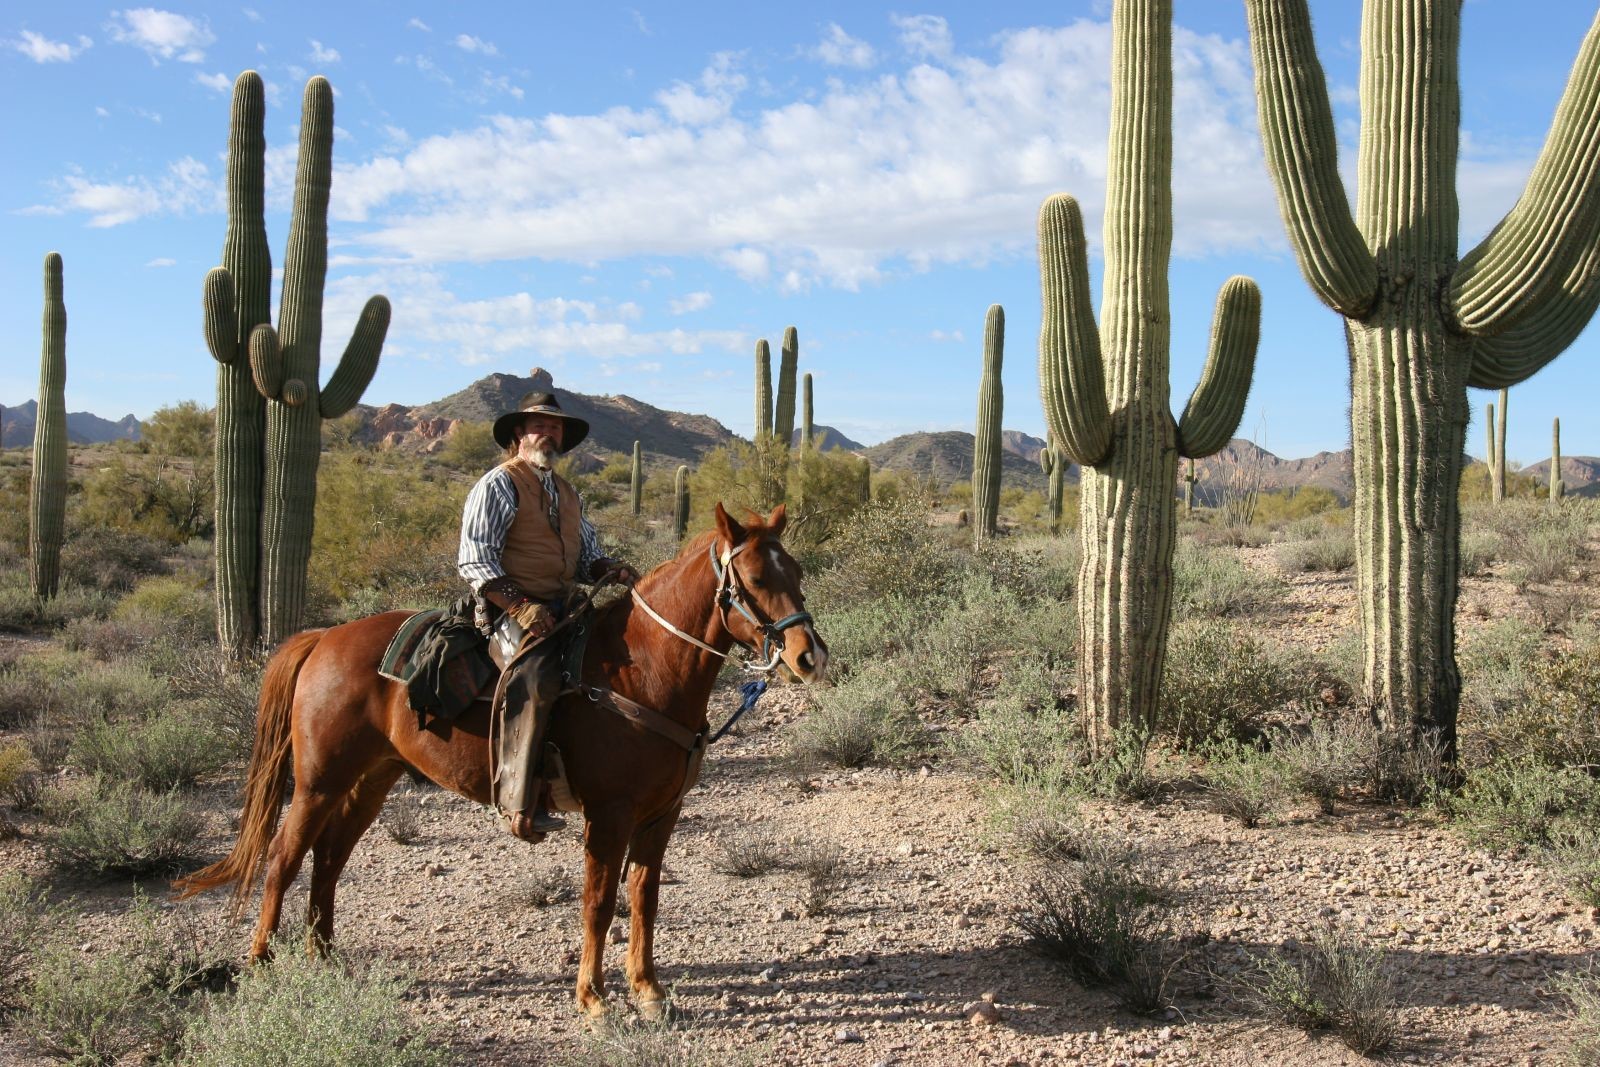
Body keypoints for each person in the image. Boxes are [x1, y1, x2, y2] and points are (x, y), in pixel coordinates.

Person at [457, 392, 639, 841]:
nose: (548, 433)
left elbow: (586, 556)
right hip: (508, 609)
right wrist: (520, 604)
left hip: (562, 605)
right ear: (519, 433)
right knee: (536, 677)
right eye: (539, 426)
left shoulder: (567, 492)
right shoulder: (498, 483)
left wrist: (607, 569)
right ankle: (520, 800)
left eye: (556, 428)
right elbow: (474, 558)